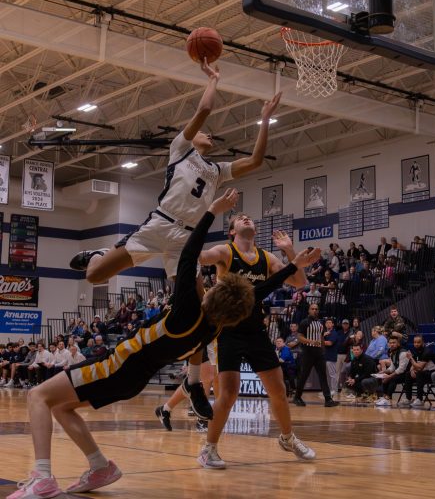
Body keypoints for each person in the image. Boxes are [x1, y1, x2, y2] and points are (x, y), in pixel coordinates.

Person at [7, 190, 317, 499]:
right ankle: (100, 466)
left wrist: (211, 210)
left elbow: (189, 253)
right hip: (133, 380)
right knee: (62, 407)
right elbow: (256, 292)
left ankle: (43, 477)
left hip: (115, 366)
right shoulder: (212, 328)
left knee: (38, 396)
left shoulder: (187, 311)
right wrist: (291, 267)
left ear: (213, 295)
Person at [70, 63, 281, 405]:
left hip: (186, 240)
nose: (209, 134)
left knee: (198, 311)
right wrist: (214, 79)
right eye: (205, 132)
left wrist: (266, 118)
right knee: (94, 276)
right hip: (159, 225)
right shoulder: (180, 149)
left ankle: (195, 383)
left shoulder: (217, 170)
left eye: (211, 133)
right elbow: (205, 108)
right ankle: (97, 255)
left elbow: (256, 161)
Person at [195, 212, 319, 469]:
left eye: (248, 217)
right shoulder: (225, 252)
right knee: (228, 394)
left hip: (256, 331)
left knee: (279, 391)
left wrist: (288, 251)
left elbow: (300, 281)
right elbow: (199, 256)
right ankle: (209, 449)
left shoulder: (267, 257)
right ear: (232, 231)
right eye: (239, 218)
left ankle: (287, 438)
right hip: (227, 331)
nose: (245, 217)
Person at [292, 304, 339, 407]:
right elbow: (299, 337)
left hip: (319, 353)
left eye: (316, 309)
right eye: (312, 309)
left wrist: (323, 350)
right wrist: (311, 341)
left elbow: (321, 337)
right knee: (304, 376)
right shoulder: (305, 322)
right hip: (307, 352)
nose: (315, 310)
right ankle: (297, 397)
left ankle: (328, 400)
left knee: (323, 376)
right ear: (309, 310)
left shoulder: (320, 323)